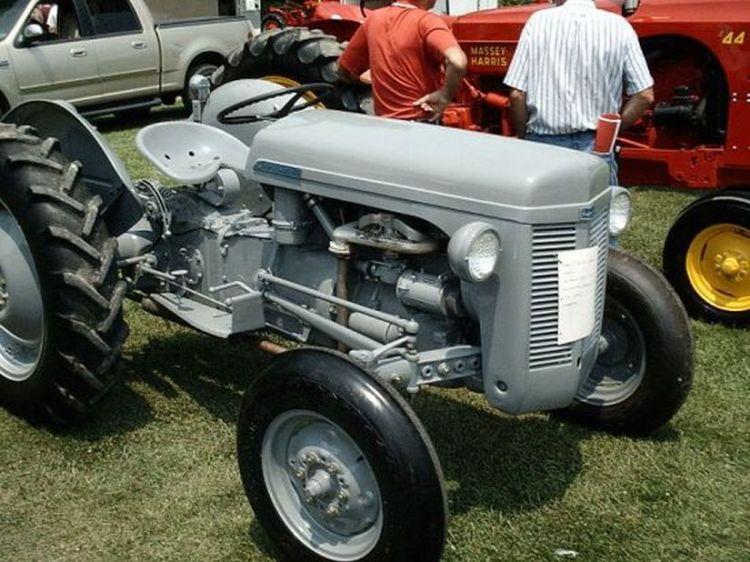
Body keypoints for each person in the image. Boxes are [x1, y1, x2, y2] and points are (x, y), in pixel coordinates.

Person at [504, 0, 654, 184]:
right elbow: (645, 95)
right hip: (597, 147)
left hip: (543, 147)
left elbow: (517, 94)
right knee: (598, 203)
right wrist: (610, 132)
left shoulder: (537, 22)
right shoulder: (620, 26)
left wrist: (523, 136)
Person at [337, 0, 467, 122]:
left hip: (386, 125)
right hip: (422, 122)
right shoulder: (427, 21)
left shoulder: (373, 19)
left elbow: (343, 70)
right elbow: (458, 62)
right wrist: (445, 96)